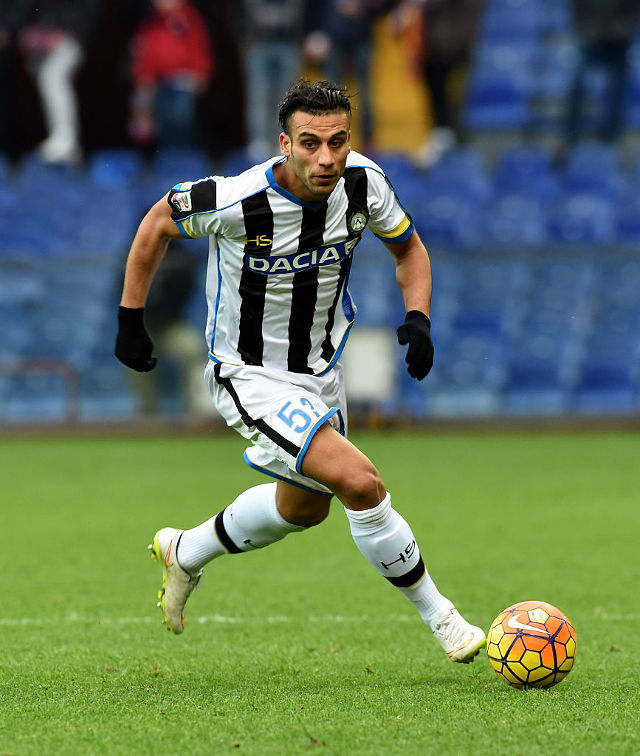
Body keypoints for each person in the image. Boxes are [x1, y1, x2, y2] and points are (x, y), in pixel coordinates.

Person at [115, 79, 485, 663]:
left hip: (321, 370)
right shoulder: (237, 199)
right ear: (285, 144)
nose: (327, 158)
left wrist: (419, 317)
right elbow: (158, 219)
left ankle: (185, 551)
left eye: (338, 141)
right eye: (310, 143)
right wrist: (131, 317)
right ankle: (444, 619)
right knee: (360, 483)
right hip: (250, 374)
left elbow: (410, 249)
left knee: (304, 508)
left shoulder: (364, 182)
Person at [18, 0, 99, 164]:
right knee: (43, 76)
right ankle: (61, 143)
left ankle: (66, 140)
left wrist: (63, 32)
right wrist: (35, 32)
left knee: (52, 75)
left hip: (71, 37)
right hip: (44, 39)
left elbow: (87, 10)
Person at [129, 0, 214, 150]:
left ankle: (182, 157)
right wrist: (142, 76)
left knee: (180, 124)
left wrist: (201, 72)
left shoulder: (189, 18)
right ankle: (164, 158)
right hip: (156, 83)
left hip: (182, 83)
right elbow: (145, 52)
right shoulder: (151, 21)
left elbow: (198, 47)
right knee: (156, 127)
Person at [564, 0, 640, 145]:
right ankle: (571, 135)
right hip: (591, 41)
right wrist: (589, 31)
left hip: (619, 44)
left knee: (619, 87)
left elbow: (632, 14)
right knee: (577, 81)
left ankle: (610, 136)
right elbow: (578, 13)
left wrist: (619, 30)